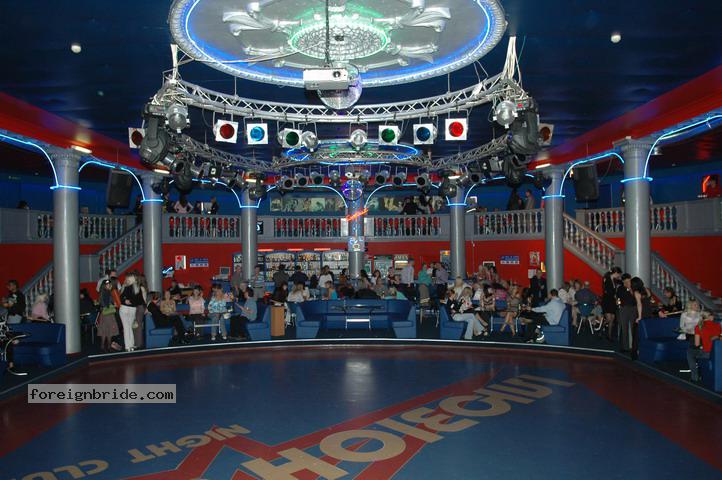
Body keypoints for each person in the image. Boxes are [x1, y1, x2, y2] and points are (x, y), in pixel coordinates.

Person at [687, 311, 721, 383]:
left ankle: (694, 377)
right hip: (718, 352)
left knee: (690, 352)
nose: (714, 317)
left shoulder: (698, 327)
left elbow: (697, 344)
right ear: (710, 317)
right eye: (713, 315)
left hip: (706, 353)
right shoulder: (718, 325)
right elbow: (718, 337)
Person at [630, 277, 653, 359]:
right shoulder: (647, 290)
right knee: (646, 334)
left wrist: (639, 317)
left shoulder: (636, 292)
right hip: (649, 314)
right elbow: (650, 301)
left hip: (642, 314)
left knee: (636, 335)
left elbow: (639, 304)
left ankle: (634, 355)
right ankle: (646, 353)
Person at [119, 274, 143, 351]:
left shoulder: (125, 286)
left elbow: (120, 298)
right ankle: (131, 345)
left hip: (125, 308)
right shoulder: (137, 288)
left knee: (127, 328)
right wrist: (130, 301)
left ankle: (128, 346)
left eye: (128, 279)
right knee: (129, 327)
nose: (127, 280)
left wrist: (125, 301)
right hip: (131, 309)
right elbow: (140, 301)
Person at [97, 280, 120, 352]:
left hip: (104, 314)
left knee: (104, 331)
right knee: (109, 331)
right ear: (104, 285)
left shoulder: (102, 292)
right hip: (108, 314)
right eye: (108, 284)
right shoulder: (107, 292)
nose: (109, 285)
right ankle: (108, 346)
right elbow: (107, 304)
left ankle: (103, 346)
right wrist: (113, 304)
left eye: (110, 284)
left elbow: (102, 303)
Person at [616, 274, 636, 352]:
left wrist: (630, 289)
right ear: (623, 281)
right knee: (624, 327)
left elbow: (636, 298)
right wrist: (619, 304)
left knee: (633, 327)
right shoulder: (620, 288)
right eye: (626, 281)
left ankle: (634, 346)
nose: (628, 282)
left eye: (629, 281)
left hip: (633, 308)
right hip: (624, 308)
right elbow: (618, 298)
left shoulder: (633, 288)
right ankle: (625, 347)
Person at [601, 267, 622, 340]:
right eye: (619, 274)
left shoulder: (615, 280)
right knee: (608, 319)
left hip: (612, 301)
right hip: (607, 300)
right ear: (616, 273)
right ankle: (601, 329)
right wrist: (614, 294)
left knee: (612, 318)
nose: (619, 276)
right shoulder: (606, 279)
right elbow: (607, 291)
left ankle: (609, 335)